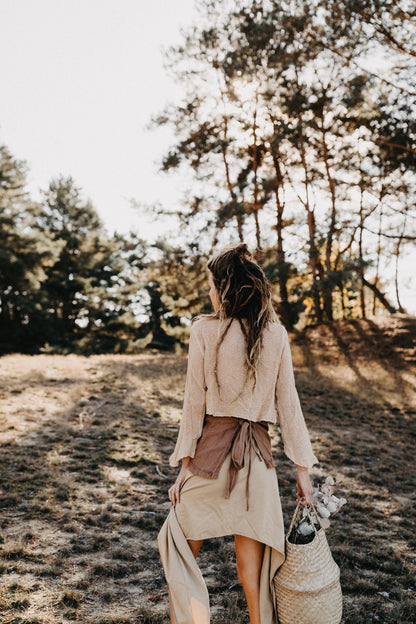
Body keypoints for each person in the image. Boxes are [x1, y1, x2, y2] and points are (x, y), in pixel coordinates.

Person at [158, 242, 318, 624]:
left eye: (212, 285)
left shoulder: (204, 331)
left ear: (225, 287)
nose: (209, 293)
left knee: (177, 545)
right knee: (253, 573)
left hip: (210, 457)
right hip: (258, 465)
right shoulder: (276, 335)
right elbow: (289, 406)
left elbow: (193, 404)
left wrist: (185, 466)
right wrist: (302, 471)